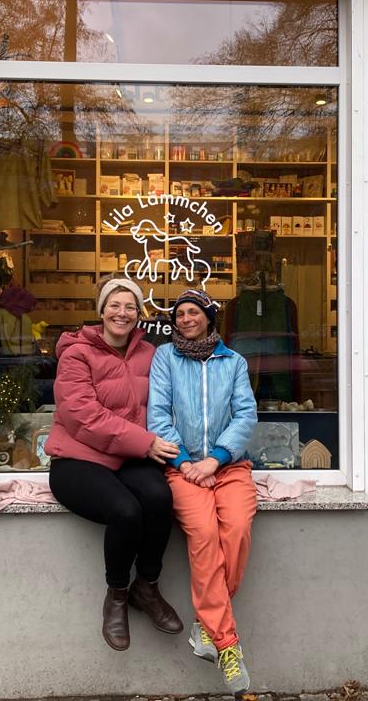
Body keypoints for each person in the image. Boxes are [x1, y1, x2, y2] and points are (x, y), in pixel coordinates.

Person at [47, 277, 183, 651]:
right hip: (78, 457)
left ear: (139, 314)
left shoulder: (150, 354)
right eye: (115, 305)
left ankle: (147, 587)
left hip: (131, 456)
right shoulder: (77, 353)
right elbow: (81, 416)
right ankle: (118, 595)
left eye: (130, 307)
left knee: (159, 499)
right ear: (101, 310)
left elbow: (171, 398)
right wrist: (146, 442)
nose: (122, 313)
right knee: (125, 511)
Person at [147, 288, 259, 694]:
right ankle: (227, 643)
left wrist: (216, 460)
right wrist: (187, 464)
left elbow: (246, 414)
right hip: (182, 468)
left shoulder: (234, 362)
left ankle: (206, 624)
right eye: (179, 314)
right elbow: (157, 413)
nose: (185, 319)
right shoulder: (165, 358)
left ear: (209, 318)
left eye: (194, 312)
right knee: (205, 536)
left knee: (237, 529)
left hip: (229, 466)